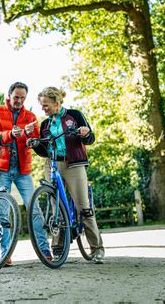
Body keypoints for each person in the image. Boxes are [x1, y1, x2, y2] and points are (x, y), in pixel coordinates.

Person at [30, 86, 105, 263]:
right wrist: (35, 144)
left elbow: (90, 138)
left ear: (56, 103)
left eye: (46, 105)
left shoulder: (75, 115)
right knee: (56, 207)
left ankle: (97, 249)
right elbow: (43, 150)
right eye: (42, 106)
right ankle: (59, 246)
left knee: (83, 207)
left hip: (74, 164)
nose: (43, 109)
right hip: (52, 164)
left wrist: (86, 133)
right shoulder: (46, 124)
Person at [0, 81, 51, 265]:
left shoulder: (30, 116)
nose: (19, 101)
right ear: (9, 96)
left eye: (23, 98)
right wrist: (11, 134)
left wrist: (32, 138)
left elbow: (36, 141)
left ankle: (43, 249)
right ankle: (6, 253)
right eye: (16, 97)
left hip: (23, 170)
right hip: (2, 168)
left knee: (34, 208)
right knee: (3, 210)